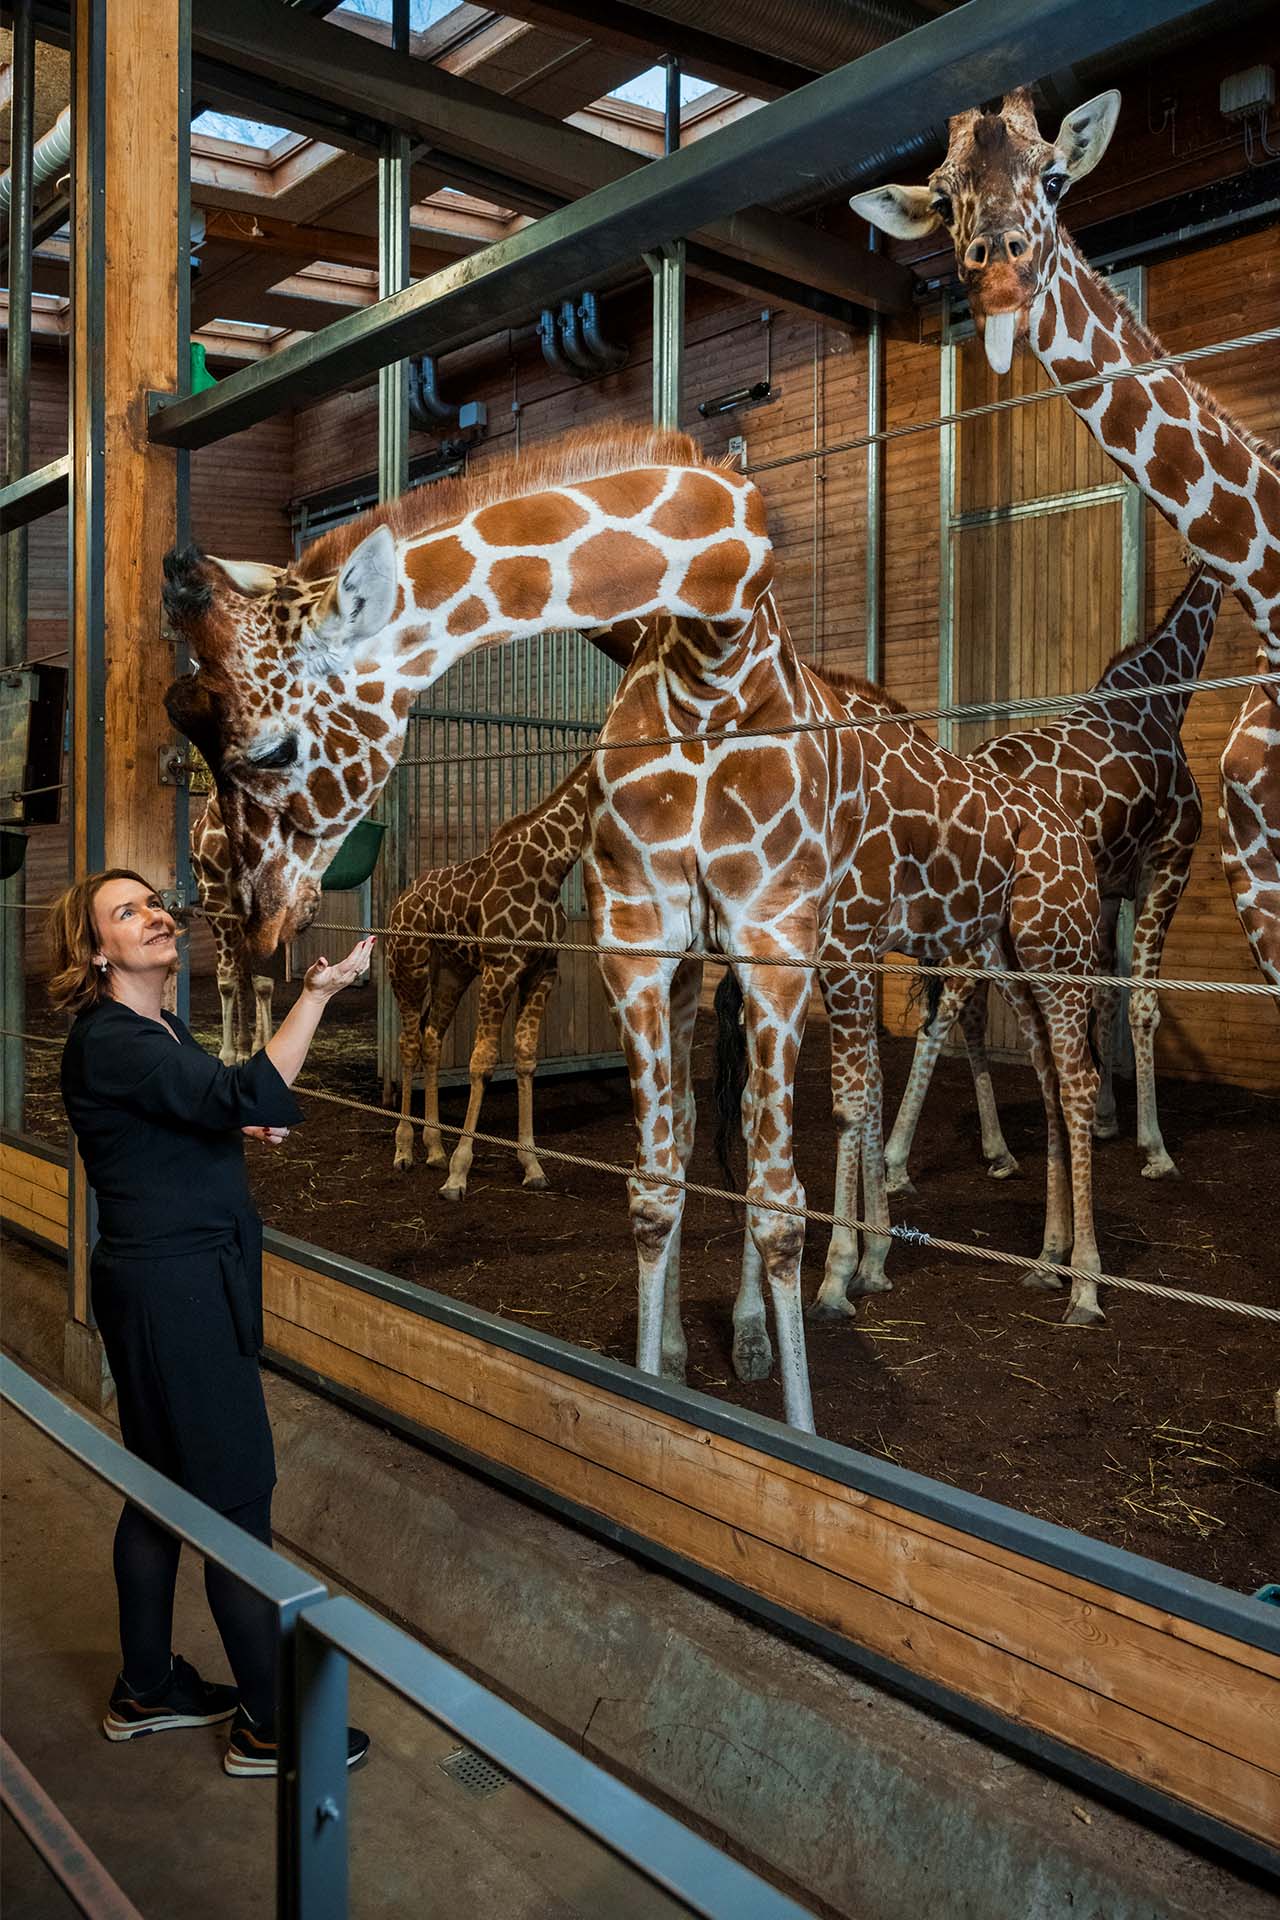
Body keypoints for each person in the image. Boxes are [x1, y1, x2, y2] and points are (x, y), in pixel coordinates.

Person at [50, 867, 374, 1779]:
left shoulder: (153, 1030)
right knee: (234, 1500)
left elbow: (180, 1115)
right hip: (177, 1297)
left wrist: (230, 1132)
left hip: (171, 1284)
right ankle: (272, 1727)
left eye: (154, 902)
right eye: (128, 911)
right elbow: (237, 1092)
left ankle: (146, 1688)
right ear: (95, 950)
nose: (155, 914)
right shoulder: (114, 1038)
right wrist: (314, 997)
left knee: (160, 1492)